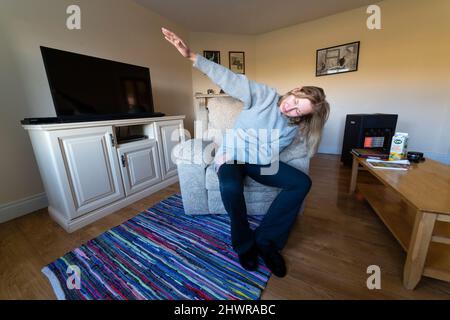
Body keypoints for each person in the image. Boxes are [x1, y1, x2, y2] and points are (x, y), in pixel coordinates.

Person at [162, 27, 330, 277]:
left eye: (298, 111)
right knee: (230, 187)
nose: (290, 108)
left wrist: (249, 152)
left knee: (301, 182)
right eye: (295, 100)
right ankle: (244, 244)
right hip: (230, 157)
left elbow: (266, 156)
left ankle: (267, 241)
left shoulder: (291, 129)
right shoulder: (264, 97)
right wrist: (191, 56)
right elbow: (230, 78)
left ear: (303, 118)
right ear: (295, 90)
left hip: (257, 162)